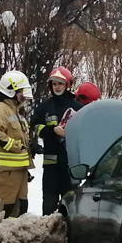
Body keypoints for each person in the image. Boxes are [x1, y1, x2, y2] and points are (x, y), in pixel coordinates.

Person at [30, 66, 83, 216]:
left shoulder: (77, 107)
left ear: (67, 85)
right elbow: (35, 127)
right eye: (54, 84)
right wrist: (52, 130)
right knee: (49, 205)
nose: (57, 87)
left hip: (70, 167)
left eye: (60, 83)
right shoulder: (44, 108)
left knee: (71, 207)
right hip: (51, 167)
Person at [0, 70, 33, 218]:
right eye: (21, 91)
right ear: (11, 90)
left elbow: (19, 136)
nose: (23, 96)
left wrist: (30, 147)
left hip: (19, 170)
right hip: (5, 171)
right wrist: (16, 146)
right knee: (2, 210)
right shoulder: (0, 109)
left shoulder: (15, 112)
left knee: (20, 208)